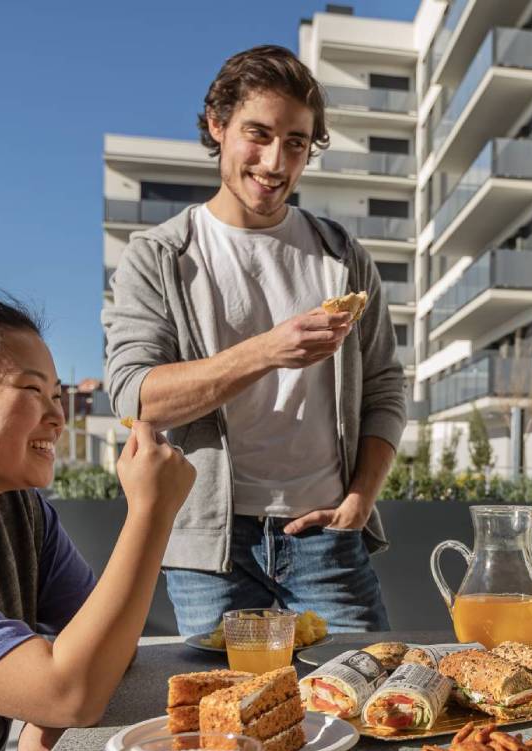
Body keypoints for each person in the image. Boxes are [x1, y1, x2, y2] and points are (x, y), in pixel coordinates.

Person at [103, 45, 406, 637]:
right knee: (221, 724)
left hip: (328, 539)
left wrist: (362, 497)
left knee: (365, 705)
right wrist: (268, 350)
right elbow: (136, 394)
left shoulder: (342, 257)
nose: (275, 161)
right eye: (258, 134)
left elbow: (385, 388)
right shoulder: (159, 257)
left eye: (296, 142)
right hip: (211, 550)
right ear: (218, 125)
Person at [0, 293, 194, 751]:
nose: (58, 414)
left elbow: (105, 648)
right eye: (32, 390)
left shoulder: (22, 513)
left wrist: (43, 715)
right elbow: (72, 692)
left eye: (57, 395)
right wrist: (151, 510)